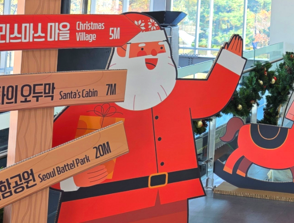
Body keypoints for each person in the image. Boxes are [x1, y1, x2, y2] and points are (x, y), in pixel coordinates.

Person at [53, 13, 246, 222]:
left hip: (169, 200)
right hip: (102, 205)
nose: (152, 57)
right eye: (143, 50)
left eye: (159, 49)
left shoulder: (177, 93)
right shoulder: (91, 101)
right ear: (121, 52)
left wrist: (229, 62)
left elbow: (210, 98)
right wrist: (71, 179)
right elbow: (45, 153)